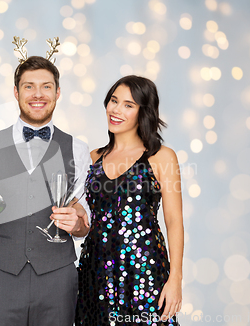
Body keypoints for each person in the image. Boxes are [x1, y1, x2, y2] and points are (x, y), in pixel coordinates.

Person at [0, 55, 91, 326]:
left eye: (46, 86)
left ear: (58, 92)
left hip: (58, 280)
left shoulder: (78, 150)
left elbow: (85, 223)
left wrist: (77, 225)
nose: (38, 94)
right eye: (28, 86)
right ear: (16, 92)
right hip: (1, 279)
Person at [75, 75, 184, 325]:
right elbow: (83, 213)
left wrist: (175, 278)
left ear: (143, 112)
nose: (116, 110)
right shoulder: (92, 157)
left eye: (128, 105)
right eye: (114, 101)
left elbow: (174, 221)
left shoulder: (161, 157)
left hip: (144, 271)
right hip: (96, 271)